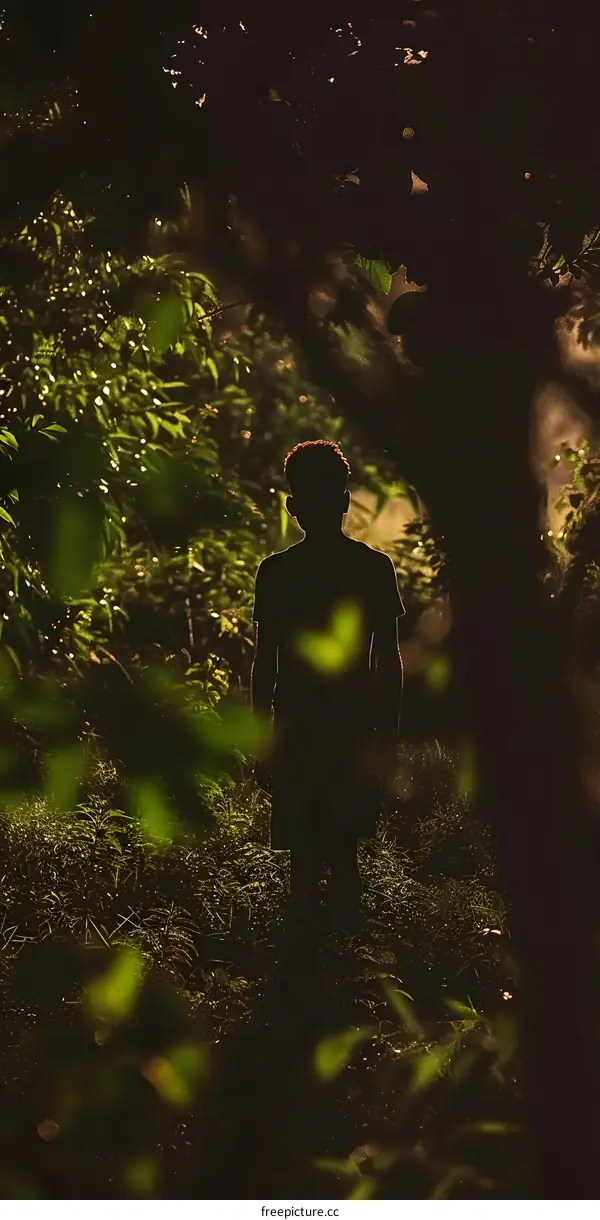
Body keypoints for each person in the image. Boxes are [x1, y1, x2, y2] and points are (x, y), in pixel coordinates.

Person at [250, 439, 405, 932]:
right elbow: (389, 661)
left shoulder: (277, 572)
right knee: (342, 855)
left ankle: (306, 957)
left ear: (291, 507)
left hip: (299, 730)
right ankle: (346, 953)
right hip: (349, 731)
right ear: (345, 501)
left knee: (305, 859)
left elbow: (265, 664)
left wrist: (261, 737)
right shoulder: (373, 568)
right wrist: (387, 736)